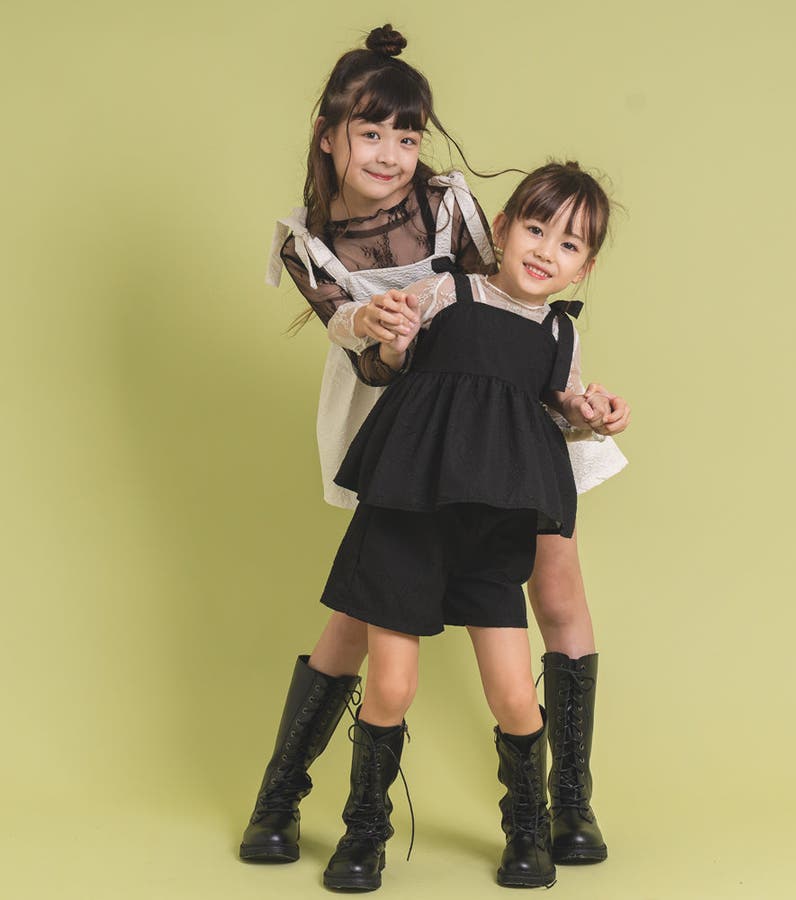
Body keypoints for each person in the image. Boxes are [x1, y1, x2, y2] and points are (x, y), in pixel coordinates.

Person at [241, 23, 631, 868]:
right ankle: (282, 796)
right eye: (370, 134)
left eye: (406, 137)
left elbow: (515, 290)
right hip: (405, 414)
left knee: (555, 583)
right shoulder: (306, 243)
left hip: (512, 408)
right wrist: (381, 331)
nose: (389, 155)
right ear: (329, 136)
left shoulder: (449, 203)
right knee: (364, 614)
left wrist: (570, 399)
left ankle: (566, 802)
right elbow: (369, 352)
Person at [317, 161, 624, 890]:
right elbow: (382, 346)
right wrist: (389, 334)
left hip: (493, 532)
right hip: (409, 518)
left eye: (571, 245)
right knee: (391, 687)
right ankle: (365, 831)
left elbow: (560, 409)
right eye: (537, 229)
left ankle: (529, 826)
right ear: (504, 228)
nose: (547, 251)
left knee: (515, 695)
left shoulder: (559, 332)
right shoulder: (449, 290)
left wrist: (590, 413)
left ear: (585, 267)